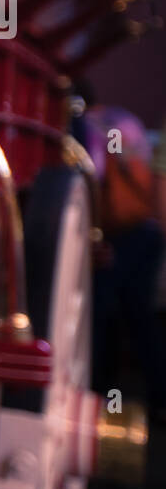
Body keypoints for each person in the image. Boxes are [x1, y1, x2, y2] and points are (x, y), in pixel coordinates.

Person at [75, 80, 166, 423]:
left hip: (119, 233)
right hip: (147, 229)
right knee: (140, 316)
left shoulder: (91, 126)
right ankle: (158, 398)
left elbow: (93, 178)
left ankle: (96, 393)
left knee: (100, 312)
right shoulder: (125, 119)